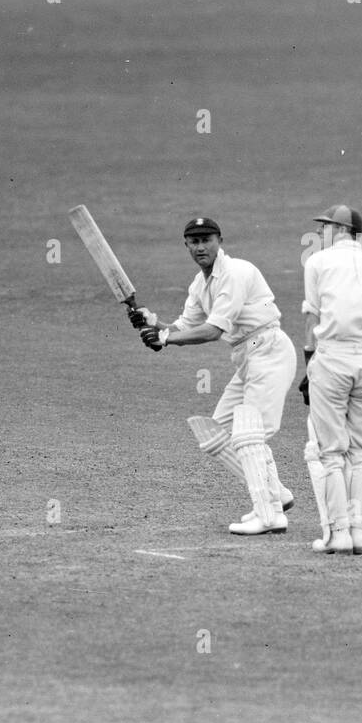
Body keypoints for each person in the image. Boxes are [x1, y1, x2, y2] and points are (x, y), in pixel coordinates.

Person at [130, 217, 297, 535]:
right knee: (216, 432)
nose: (200, 246)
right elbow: (180, 327)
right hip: (247, 357)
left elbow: (211, 331)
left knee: (251, 435)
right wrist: (151, 322)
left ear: (220, 241)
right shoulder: (199, 284)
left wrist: (163, 340)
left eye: (206, 239)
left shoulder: (234, 273)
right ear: (187, 246)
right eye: (194, 241)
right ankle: (277, 497)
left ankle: (269, 515)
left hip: (269, 350)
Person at [300, 205, 362, 556]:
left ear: (339, 228)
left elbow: (312, 316)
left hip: (333, 358)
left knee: (332, 451)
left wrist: (309, 367)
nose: (322, 232)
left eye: (326, 226)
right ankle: (360, 534)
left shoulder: (318, 262)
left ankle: (337, 534)